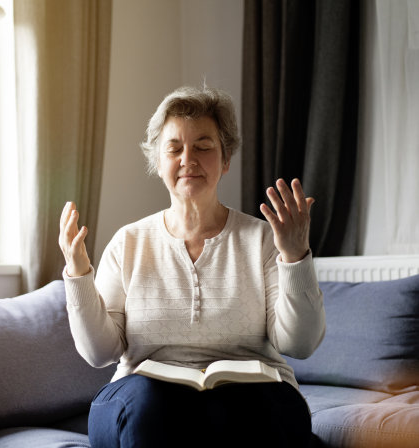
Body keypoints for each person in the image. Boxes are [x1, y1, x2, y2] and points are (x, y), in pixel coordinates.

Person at [58, 86, 325, 447]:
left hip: (248, 395)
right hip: (142, 398)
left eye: (203, 146)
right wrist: (78, 275)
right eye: (174, 148)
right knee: (150, 409)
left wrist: (295, 258)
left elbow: (300, 343)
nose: (188, 159)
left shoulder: (262, 239)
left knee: (262, 410)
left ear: (226, 159)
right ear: (157, 160)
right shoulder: (128, 242)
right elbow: (99, 353)